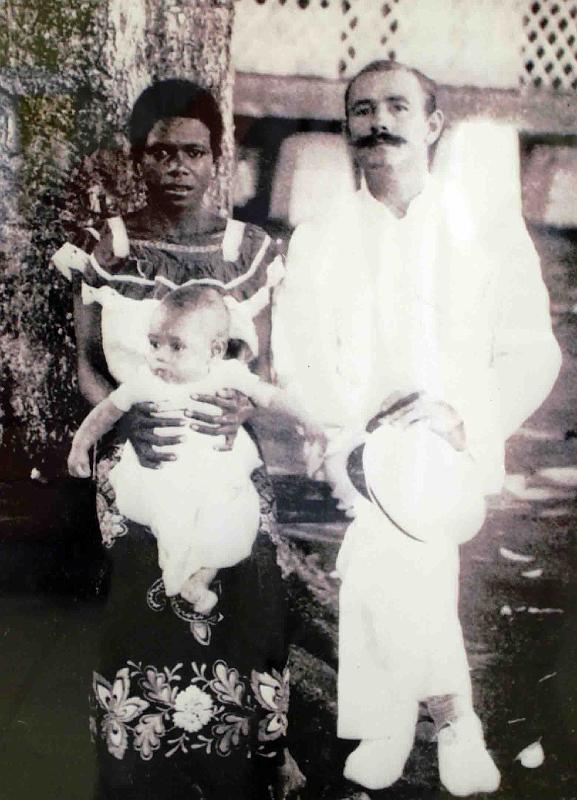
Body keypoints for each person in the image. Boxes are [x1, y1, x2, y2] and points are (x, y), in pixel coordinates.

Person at [273, 60, 562, 796]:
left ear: (432, 125)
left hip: (457, 448)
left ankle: (405, 715)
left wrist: (461, 413)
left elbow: (531, 351)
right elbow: (297, 361)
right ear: (348, 131)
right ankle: (443, 716)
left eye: (396, 106)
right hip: (354, 451)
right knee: (395, 534)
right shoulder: (319, 238)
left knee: (405, 509)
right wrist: (346, 435)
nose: (377, 122)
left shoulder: (485, 230)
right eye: (361, 110)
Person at [53, 79, 304, 800]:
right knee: (146, 589)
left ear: (216, 157)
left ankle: (252, 751)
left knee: (247, 586)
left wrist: (236, 417)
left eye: (192, 150)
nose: (175, 166)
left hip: (226, 454)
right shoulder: (107, 247)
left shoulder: (251, 251)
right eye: (158, 152)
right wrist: (124, 420)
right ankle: (142, 755)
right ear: (138, 158)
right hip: (140, 455)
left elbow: (270, 367)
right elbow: (86, 362)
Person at [67, 283, 325, 615]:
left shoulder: (226, 373)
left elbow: (270, 395)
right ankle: (172, 570)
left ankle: (198, 580)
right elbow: (106, 412)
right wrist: (79, 446)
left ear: (215, 351)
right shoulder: (146, 380)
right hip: (159, 472)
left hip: (216, 474)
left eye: (176, 347)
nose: (160, 356)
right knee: (167, 521)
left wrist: (308, 420)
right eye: (154, 344)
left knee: (234, 520)